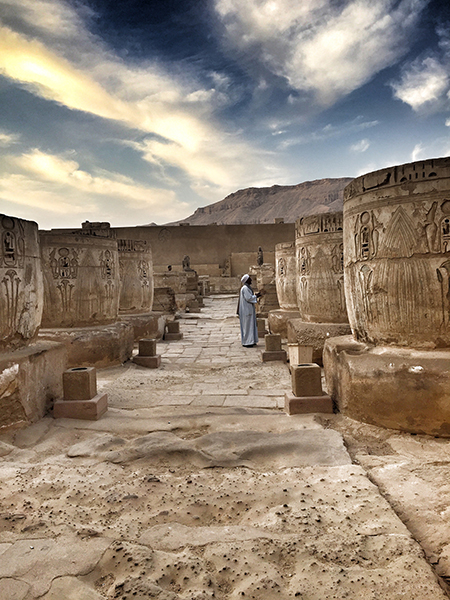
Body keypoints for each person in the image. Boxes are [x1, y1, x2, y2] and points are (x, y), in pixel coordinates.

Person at [238, 274, 261, 347]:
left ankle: (252, 340)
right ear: (247, 280)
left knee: (251, 325)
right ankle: (248, 342)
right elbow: (248, 298)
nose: (251, 280)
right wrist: (256, 296)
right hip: (246, 311)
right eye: (250, 279)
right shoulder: (245, 288)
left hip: (248, 310)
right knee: (247, 326)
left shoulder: (247, 288)